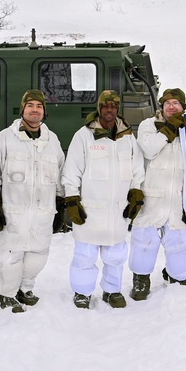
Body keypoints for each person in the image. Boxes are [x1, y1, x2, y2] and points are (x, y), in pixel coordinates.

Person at [0, 89, 65, 313]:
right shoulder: (5, 138)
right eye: (31, 106)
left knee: (37, 256)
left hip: (42, 212)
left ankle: (25, 288)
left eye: (39, 107)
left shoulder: (52, 141)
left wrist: (61, 201)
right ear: (23, 109)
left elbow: (59, 171)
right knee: (10, 258)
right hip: (13, 212)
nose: (35, 110)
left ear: (44, 112)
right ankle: (6, 293)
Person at [63, 90, 144, 309]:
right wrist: (71, 198)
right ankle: (82, 293)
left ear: (118, 109)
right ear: (99, 109)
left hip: (117, 210)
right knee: (85, 256)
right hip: (91, 209)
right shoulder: (83, 135)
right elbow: (72, 171)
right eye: (105, 106)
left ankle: (112, 291)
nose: (110, 110)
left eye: (114, 106)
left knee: (115, 255)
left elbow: (137, 169)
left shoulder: (128, 137)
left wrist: (136, 192)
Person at [129, 89, 186, 299]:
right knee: (144, 241)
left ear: (183, 107)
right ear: (161, 106)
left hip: (177, 196)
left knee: (177, 241)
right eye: (167, 103)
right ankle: (141, 279)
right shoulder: (149, 125)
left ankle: (178, 276)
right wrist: (168, 130)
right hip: (152, 195)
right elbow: (148, 150)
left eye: (176, 103)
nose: (172, 106)